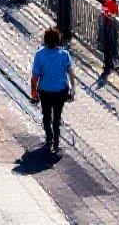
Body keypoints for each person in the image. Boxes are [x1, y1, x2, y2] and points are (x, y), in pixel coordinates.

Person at [30, 27, 76, 155]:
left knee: (46, 115)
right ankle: (56, 141)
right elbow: (71, 73)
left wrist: (34, 92)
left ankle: (49, 138)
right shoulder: (64, 54)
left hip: (45, 90)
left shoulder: (40, 54)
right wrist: (73, 88)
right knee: (57, 115)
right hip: (60, 91)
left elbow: (35, 77)